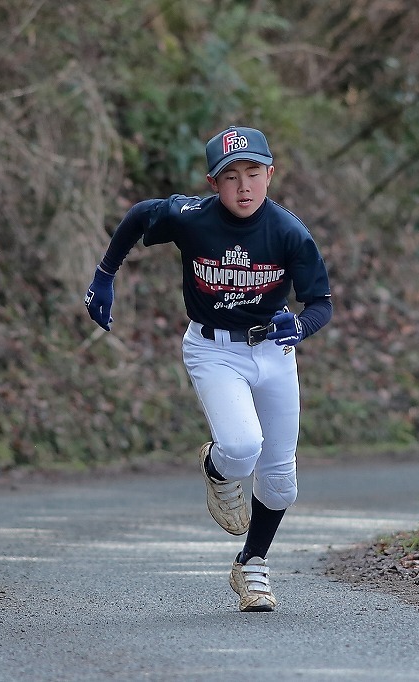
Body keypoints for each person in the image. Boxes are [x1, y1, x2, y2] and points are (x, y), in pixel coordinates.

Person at [83, 126, 332, 612]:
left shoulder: (288, 232)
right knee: (240, 448)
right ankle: (215, 465)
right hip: (213, 349)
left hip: (274, 353)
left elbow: (320, 302)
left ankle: (253, 565)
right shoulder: (193, 217)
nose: (244, 186)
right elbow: (139, 216)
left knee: (281, 478)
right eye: (231, 176)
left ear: (270, 175)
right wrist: (104, 276)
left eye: (253, 174)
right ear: (212, 183)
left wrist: (299, 328)